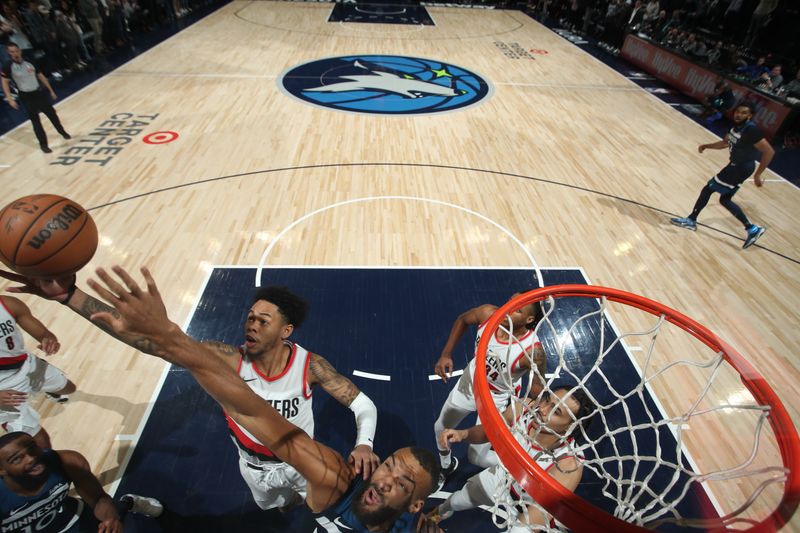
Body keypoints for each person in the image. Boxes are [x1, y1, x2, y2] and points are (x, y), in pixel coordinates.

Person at [0, 266, 443, 533]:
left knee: (303, 501)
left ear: (285, 331)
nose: (251, 325)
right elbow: (150, 343)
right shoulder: (227, 359)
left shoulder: (310, 366)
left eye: (263, 321)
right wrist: (71, 297)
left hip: (302, 462)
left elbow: (363, 404)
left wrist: (364, 443)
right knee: (271, 509)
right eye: (250, 317)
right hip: (255, 466)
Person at [427, 386, 595, 529]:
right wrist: (463, 433)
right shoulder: (523, 408)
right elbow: (489, 431)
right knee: (457, 499)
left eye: (556, 411)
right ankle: (439, 512)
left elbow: (537, 513)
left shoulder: (568, 464)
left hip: (527, 506)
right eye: (546, 400)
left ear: (570, 428)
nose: (542, 410)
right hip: (503, 477)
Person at [432, 295, 546, 478]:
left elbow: (537, 389)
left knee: (477, 457)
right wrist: (446, 354)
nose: (508, 308)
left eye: (517, 310)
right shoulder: (488, 314)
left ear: (529, 319)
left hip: (496, 397)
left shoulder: (532, 351)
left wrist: (529, 413)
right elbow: (462, 320)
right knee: (440, 427)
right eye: (510, 301)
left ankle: (523, 465)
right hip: (470, 383)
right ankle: (446, 466)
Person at [0, 431, 163, 531]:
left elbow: (98, 498)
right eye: (16, 459)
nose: (31, 458)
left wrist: (110, 518)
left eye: (32, 448)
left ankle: (127, 502)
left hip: (78, 519)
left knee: (119, 519)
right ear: (2, 470)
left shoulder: (67, 461)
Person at [671, 102, 775, 250]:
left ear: (750, 116)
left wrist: (758, 174)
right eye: (738, 111)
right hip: (737, 167)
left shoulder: (751, 130)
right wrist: (707, 146)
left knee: (707, 189)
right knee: (725, 199)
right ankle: (752, 229)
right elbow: (725, 143)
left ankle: (691, 220)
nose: (739, 114)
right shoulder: (735, 127)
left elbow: (769, 152)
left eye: (744, 112)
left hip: (739, 168)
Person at [0, 295, 76, 450]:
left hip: (28, 365)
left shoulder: (8, 304)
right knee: (38, 443)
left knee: (70, 388)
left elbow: (44, 334)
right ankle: (55, 472)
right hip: (3, 388)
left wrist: (48, 340)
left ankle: (48, 389)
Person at [1, 43, 70, 154]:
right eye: (12, 52)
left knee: (52, 114)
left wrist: (51, 90)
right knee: (36, 122)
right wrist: (9, 98)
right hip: (26, 96)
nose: (15, 54)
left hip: (38, 93)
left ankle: (62, 131)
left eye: (16, 51)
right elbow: (4, 82)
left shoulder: (30, 62)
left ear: (20, 51)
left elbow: (40, 75)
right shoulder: (8, 66)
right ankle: (43, 145)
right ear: (9, 53)